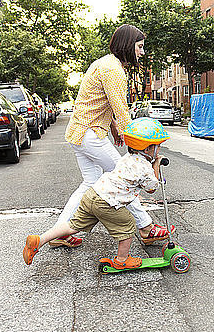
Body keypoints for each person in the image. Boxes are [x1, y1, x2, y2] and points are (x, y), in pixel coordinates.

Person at [49, 24, 174, 249]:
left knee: (89, 183)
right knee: (126, 176)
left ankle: (60, 230)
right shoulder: (114, 70)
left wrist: (115, 129)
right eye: (140, 47)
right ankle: (146, 227)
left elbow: (102, 103)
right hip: (90, 134)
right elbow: (121, 110)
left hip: (80, 132)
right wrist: (138, 144)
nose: (142, 52)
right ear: (128, 46)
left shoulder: (104, 63)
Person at [23, 118, 170, 269]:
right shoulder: (145, 168)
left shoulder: (128, 158)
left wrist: (152, 163)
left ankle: (39, 240)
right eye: (157, 147)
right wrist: (157, 164)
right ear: (147, 150)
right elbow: (152, 187)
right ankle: (122, 259)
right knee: (127, 224)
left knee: (73, 225)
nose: (159, 150)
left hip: (92, 194)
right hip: (106, 203)